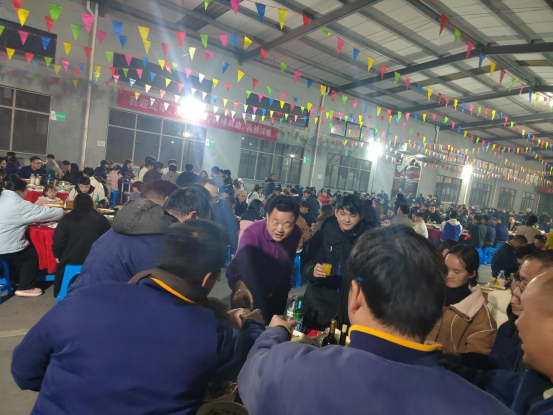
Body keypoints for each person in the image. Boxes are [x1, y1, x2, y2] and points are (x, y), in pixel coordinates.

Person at [238, 226, 513, 415]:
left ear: (356, 296)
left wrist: (275, 332)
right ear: (436, 305)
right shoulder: (483, 406)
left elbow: (251, 370)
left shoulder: (291, 368)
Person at [12, 220, 265, 415]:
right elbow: (250, 357)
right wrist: (253, 322)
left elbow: (24, 372)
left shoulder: (85, 297)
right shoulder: (210, 333)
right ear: (207, 279)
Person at [69, 181, 198, 291]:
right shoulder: (155, 242)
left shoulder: (118, 229)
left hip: (77, 301)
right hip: (102, 307)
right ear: (166, 201)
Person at [227, 196, 301, 321]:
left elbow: (288, 263)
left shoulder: (296, 233)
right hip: (250, 296)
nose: (280, 229)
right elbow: (237, 264)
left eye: (286, 225)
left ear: (294, 223)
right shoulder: (253, 233)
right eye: (275, 223)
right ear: (267, 216)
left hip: (278, 296)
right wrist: (240, 287)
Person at [302, 195, 370, 329]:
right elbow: (309, 261)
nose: (347, 220)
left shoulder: (367, 240)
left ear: (360, 216)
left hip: (351, 305)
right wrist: (313, 271)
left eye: (353, 215)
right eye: (343, 214)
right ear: (336, 212)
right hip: (320, 301)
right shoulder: (323, 234)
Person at [0, 176, 64, 297]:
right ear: (18, 191)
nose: (26, 194)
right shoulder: (19, 204)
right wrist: (63, 212)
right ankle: (25, 287)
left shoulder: (2, 196)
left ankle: (13, 277)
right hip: (5, 245)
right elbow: (44, 213)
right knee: (31, 255)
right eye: (26, 191)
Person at [426, 245, 497, 355]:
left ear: (471, 274)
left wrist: (445, 353)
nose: (449, 275)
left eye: (456, 272)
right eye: (446, 269)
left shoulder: (479, 316)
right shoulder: (428, 296)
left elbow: (478, 357)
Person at [51, 194, 110, 297]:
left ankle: (62, 292)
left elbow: (58, 239)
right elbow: (107, 239)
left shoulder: (67, 219)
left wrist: (57, 254)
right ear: (91, 204)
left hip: (71, 258)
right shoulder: (101, 219)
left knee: (63, 268)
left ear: (75, 204)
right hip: (94, 259)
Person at [203, 180, 239, 255]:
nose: (213, 201)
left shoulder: (213, 210)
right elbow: (233, 227)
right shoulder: (224, 211)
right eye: (209, 197)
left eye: (215, 197)